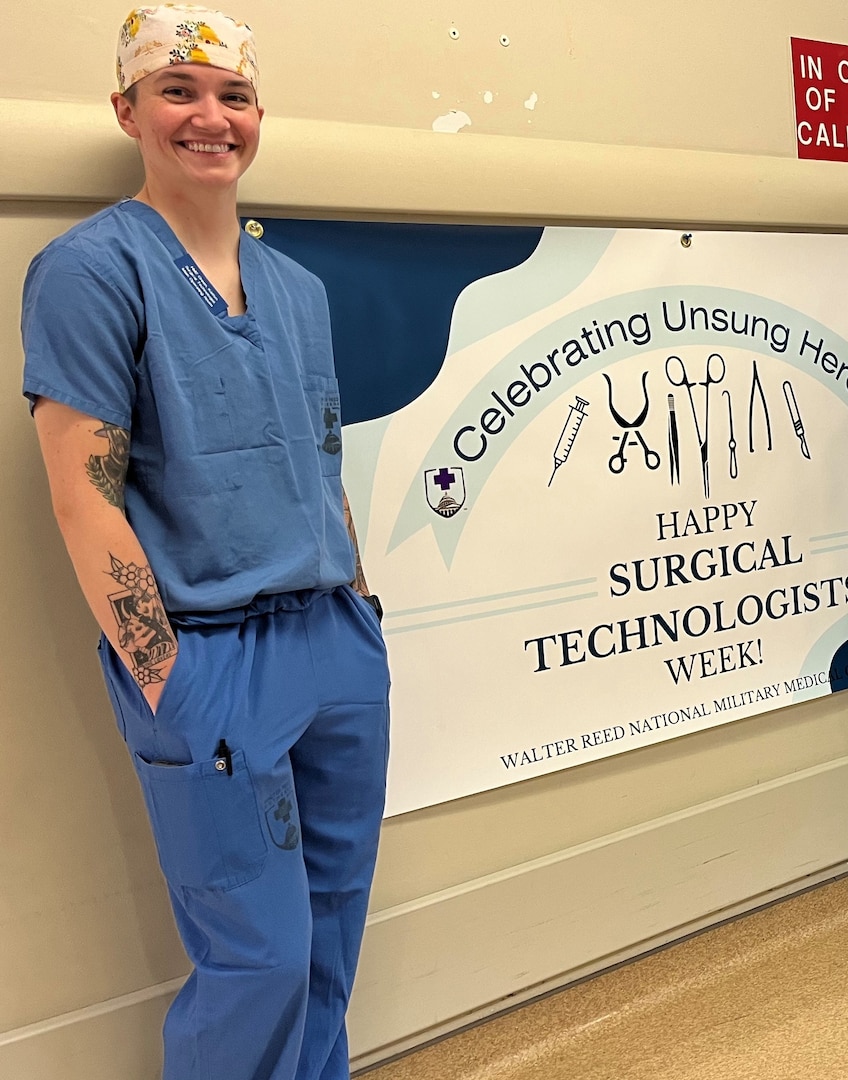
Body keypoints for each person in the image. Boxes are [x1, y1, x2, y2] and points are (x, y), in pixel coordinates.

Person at [21, 6, 391, 1077]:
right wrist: (166, 676)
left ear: (259, 115)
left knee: (328, 940)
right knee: (258, 960)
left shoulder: (299, 290)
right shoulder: (91, 273)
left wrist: (362, 610)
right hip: (205, 654)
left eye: (232, 95)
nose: (209, 118)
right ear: (126, 110)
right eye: (177, 91)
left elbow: (320, 462)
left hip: (332, 642)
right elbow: (83, 497)